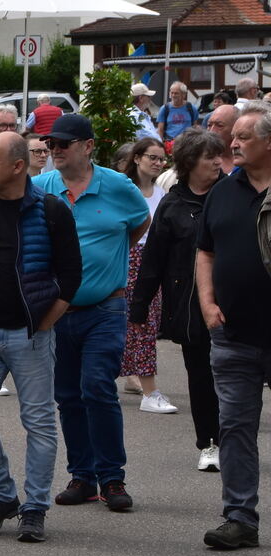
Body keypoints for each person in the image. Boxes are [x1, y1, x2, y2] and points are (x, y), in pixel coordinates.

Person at [0, 132, 81, 543]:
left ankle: (35, 507)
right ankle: (2, 495)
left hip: (30, 337)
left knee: (39, 423)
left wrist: (45, 324)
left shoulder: (52, 211)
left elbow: (71, 277)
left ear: (18, 167)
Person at [34, 115, 150, 512]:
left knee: (97, 387)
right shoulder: (41, 188)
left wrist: (109, 257)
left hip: (106, 307)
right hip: (57, 310)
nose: (56, 149)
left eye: (65, 142)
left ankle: (112, 478)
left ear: (88, 146)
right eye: (52, 144)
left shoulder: (118, 187)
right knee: (67, 394)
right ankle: (82, 476)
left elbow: (139, 223)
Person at [196, 101, 271, 550]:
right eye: (233, 137)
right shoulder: (222, 193)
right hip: (232, 334)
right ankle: (239, 517)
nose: (233, 143)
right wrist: (206, 301)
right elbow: (205, 251)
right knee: (235, 428)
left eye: (244, 137)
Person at [131, 129, 226, 472]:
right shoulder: (172, 204)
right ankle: (210, 443)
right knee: (201, 376)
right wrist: (139, 306)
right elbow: (153, 260)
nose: (217, 161)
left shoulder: (233, 194)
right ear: (189, 162)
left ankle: (236, 439)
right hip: (189, 305)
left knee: (238, 377)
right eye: (209, 156)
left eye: (219, 155)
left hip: (236, 300)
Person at [118, 137, 177, 413]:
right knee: (122, 323)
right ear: (137, 158)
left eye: (161, 158)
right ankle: (147, 391)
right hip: (125, 258)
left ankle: (141, 385)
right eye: (152, 157)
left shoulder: (162, 194)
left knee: (145, 325)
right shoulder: (123, 189)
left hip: (152, 262)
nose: (158, 163)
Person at [158, 103, 239, 191]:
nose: (212, 131)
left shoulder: (248, 166)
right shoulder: (169, 179)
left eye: (219, 125)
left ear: (236, 129)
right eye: (209, 125)